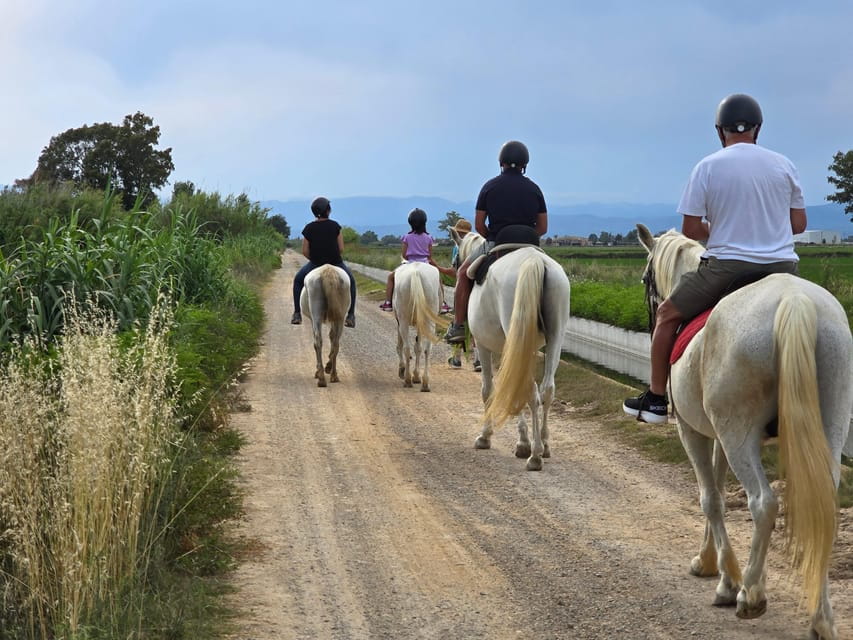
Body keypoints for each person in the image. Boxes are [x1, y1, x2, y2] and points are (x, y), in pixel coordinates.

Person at [623, 93, 807, 424]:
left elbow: (691, 230)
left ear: (720, 131)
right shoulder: (784, 164)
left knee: (665, 315)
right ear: (758, 129)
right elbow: (798, 225)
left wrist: (721, 226)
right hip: (784, 268)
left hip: (727, 269)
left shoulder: (707, 167)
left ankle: (655, 398)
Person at [444, 140, 548, 343]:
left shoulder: (489, 187)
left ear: (501, 162)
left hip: (497, 243)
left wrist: (494, 235)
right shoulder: (535, 189)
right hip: (530, 245)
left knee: (464, 274)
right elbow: (543, 228)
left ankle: (458, 325)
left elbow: (479, 225)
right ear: (524, 164)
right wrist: (527, 235)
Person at [290, 196, 357, 328]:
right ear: (328, 210)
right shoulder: (335, 226)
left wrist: (315, 260)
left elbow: (305, 251)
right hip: (336, 263)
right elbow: (341, 248)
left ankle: (297, 313)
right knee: (352, 282)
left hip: (315, 264)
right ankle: (350, 315)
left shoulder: (308, 228)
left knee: (298, 281)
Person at [432, 218, 481, 370]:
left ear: (458, 233)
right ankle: (478, 360)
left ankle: (457, 358)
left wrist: (438, 267)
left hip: (464, 289)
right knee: (476, 324)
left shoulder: (458, 247)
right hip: (479, 286)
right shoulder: (479, 246)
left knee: (459, 322)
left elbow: (455, 272)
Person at [378, 208, 435, 311]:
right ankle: (443, 302)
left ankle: (388, 302)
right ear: (424, 222)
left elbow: (404, 255)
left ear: (410, 223)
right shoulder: (429, 237)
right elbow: (430, 255)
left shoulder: (406, 237)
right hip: (425, 263)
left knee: (391, 277)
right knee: (437, 279)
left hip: (409, 263)